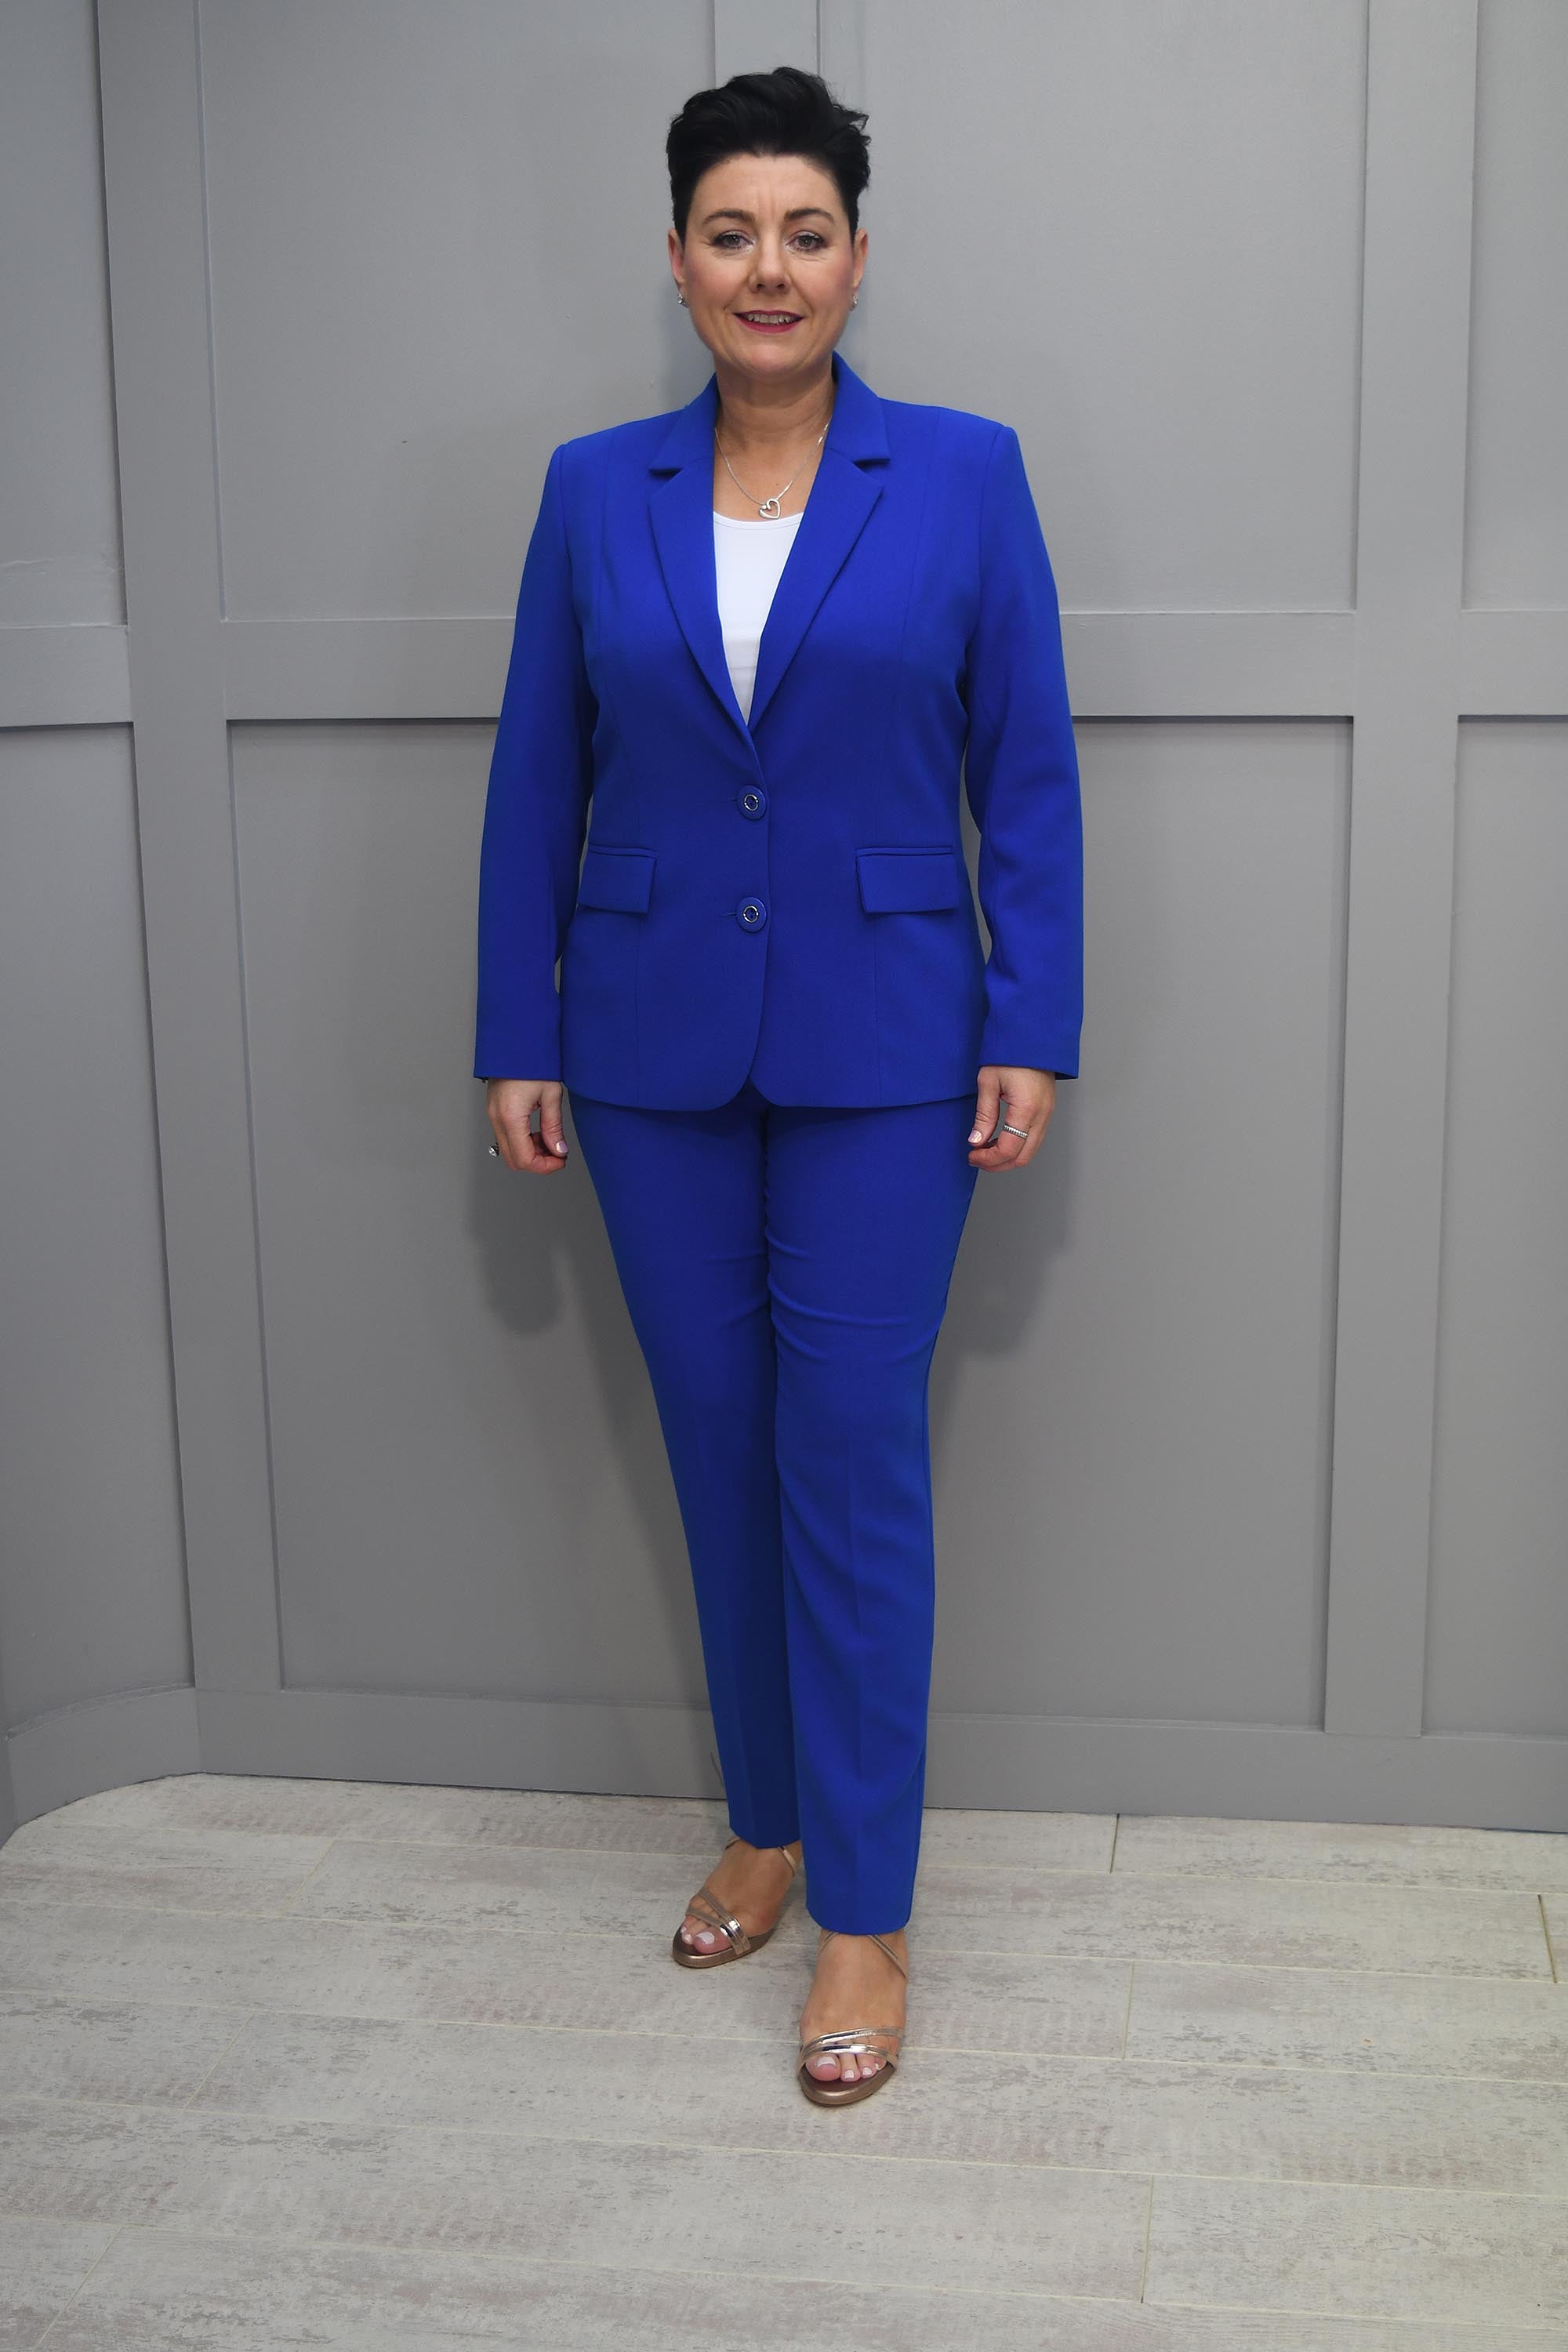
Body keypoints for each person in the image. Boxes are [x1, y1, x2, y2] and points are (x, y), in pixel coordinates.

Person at [474, 65, 1083, 2108]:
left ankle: (868, 1913)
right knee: (719, 1449)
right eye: (730, 233)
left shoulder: (965, 475)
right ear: (677, 261)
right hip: (648, 1049)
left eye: (804, 233)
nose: (769, 268)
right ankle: (764, 1822)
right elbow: (536, 777)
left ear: (856, 257)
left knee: (851, 1455)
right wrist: (519, 1026)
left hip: (891, 1048)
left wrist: (1030, 1019)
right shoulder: (595, 491)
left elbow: (1028, 771)